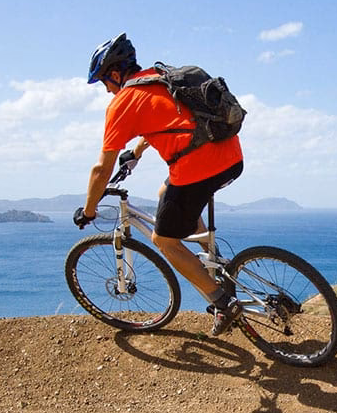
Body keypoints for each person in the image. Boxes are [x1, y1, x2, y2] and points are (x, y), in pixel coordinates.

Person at [74, 32, 245, 336]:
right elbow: (169, 122)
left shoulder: (122, 103)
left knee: (164, 241)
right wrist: (136, 153)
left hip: (198, 170)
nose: (106, 90)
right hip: (232, 157)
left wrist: (89, 210)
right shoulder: (160, 76)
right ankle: (214, 259)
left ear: (115, 74)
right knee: (166, 192)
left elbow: (101, 169)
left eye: (104, 82)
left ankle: (223, 302)